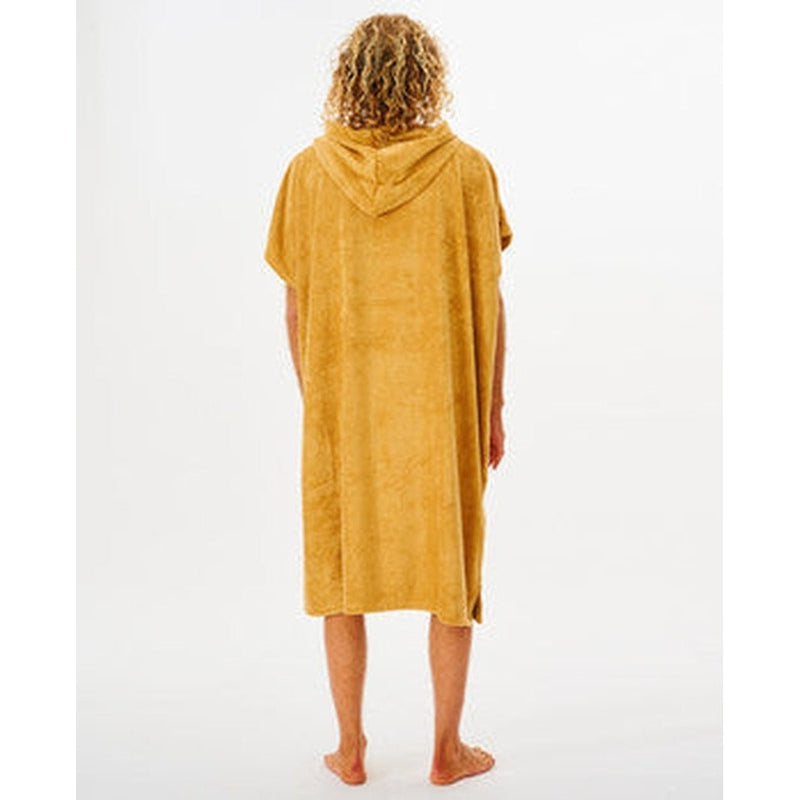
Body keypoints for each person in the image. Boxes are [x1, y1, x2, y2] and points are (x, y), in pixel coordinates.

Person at [263, 12, 512, 786]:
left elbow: (295, 307)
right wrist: (492, 409)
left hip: (344, 415)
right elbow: (490, 302)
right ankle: (447, 749)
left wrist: (321, 407)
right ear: (426, 79)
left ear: (349, 77)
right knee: (451, 581)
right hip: (442, 414)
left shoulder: (308, 174)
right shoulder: (467, 172)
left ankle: (350, 748)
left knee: (342, 579)